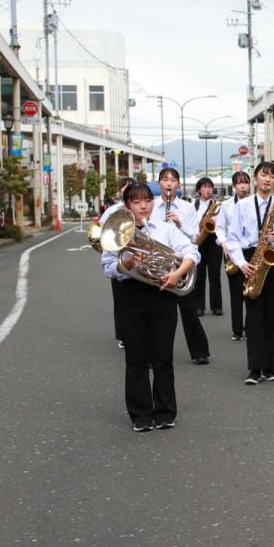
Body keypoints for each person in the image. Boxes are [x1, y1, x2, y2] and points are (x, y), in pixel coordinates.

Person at [100, 182, 199, 432]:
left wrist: (178, 274)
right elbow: (108, 267)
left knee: (163, 356)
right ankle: (140, 414)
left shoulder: (165, 229)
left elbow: (191, 251)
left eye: (147, 200)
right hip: (131, 296)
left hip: (163, 294)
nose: (143, 205)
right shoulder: (118, 233)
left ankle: (165, 411)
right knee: (136, 358)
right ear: (127, 206)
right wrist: (128, 261)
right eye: (136, 201)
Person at [227, 162, 274, 385]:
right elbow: (233, 238)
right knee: (254, 316)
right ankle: (254, 368)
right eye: (264, 175)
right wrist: (241, 263)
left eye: (272, 176)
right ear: (255, 178)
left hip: (273, 259)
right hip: (251, 260)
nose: (268, 179)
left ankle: (270, 367)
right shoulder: (243, 205)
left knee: (272, 315)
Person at [156, 168, 211, 365]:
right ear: (159, 183)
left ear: (178, 184)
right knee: (158, 310)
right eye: (164, 179)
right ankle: (156, 353)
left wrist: (179, 224)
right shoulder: (152, 206)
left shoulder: (187, 208)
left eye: (172, 180)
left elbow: (196, 236)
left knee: (188, 308)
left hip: (181, 261)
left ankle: (200, 351)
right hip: (159, 262)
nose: (169, 183)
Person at [99, 177, 136, 350]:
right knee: (120, 301)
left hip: (137, 263)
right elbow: (103, 232)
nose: (127, 189)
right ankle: (123, 334)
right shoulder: (112, 211)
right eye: (124, 187)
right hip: (119, 258)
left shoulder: (141, 210)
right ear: (120, 190)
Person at [217, 171, 251, 341]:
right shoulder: (226, 205)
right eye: (239, 183)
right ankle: (237, 329)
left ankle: (251, 326)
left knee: (251, 290)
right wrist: (223, 242)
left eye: (245, 183)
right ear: (234, 186)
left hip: (250, 251)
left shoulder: (255, 204)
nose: (243, 186)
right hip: (231, 251)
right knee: (235, 291)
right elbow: (219, 227)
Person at [191, 177, 223, 317]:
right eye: (204, 187)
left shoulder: (218, 206)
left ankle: (217, 307)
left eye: (210, 187)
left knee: (215, 274)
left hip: (214, 240)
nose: (208, 189)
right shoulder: (193, 205)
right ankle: (199, 306)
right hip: (199, 240)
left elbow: (222, 225)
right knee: (199, 275)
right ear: (199, 190)